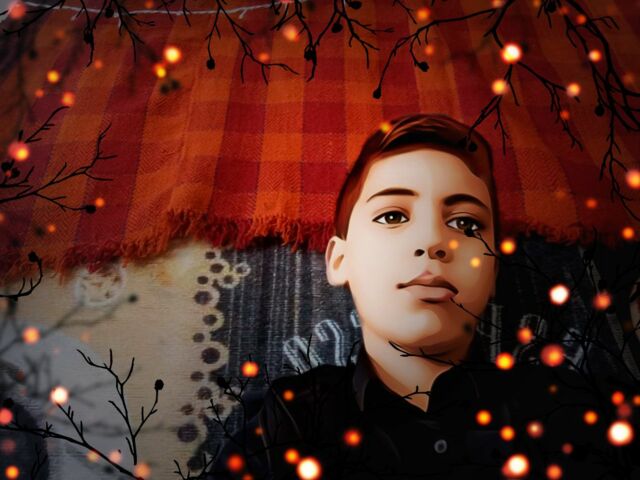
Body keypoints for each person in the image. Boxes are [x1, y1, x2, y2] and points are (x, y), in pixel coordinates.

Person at [212, 114, 638, 479]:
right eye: (392, 215)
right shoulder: (289, 420)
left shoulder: (574, 411)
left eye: (466, 224)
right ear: (340, 260)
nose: (433, 241)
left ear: (492, 268)